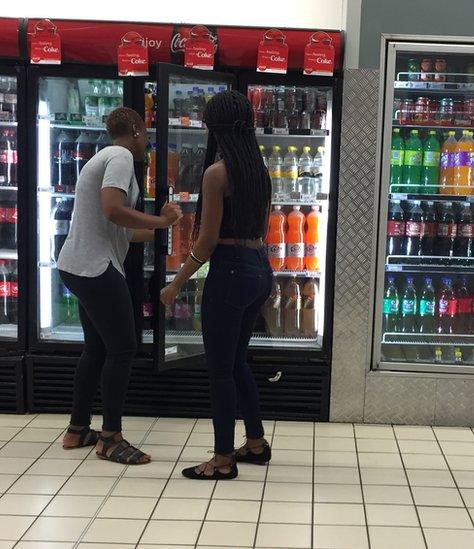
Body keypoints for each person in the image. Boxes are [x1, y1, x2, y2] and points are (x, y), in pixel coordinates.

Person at [57, 106, 181, 465]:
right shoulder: (122, 156)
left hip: (77, 264)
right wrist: (160, 220)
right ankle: (110, 438)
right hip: (95, 267)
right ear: (138, 131)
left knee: (96, 349)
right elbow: (113, 209)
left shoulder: (104, 156)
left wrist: (162, 228)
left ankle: (78, 429)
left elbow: (121, 228)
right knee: (123, 348)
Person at [161, 90, 273, 480]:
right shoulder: (258, 169)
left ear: (215, 127)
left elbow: (207, 241)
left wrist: (176, 282)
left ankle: (223, 459)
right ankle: (256, 443)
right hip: (259, 266)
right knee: (238, 361)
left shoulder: (216, 173)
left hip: (229, 271)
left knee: (221, 371)